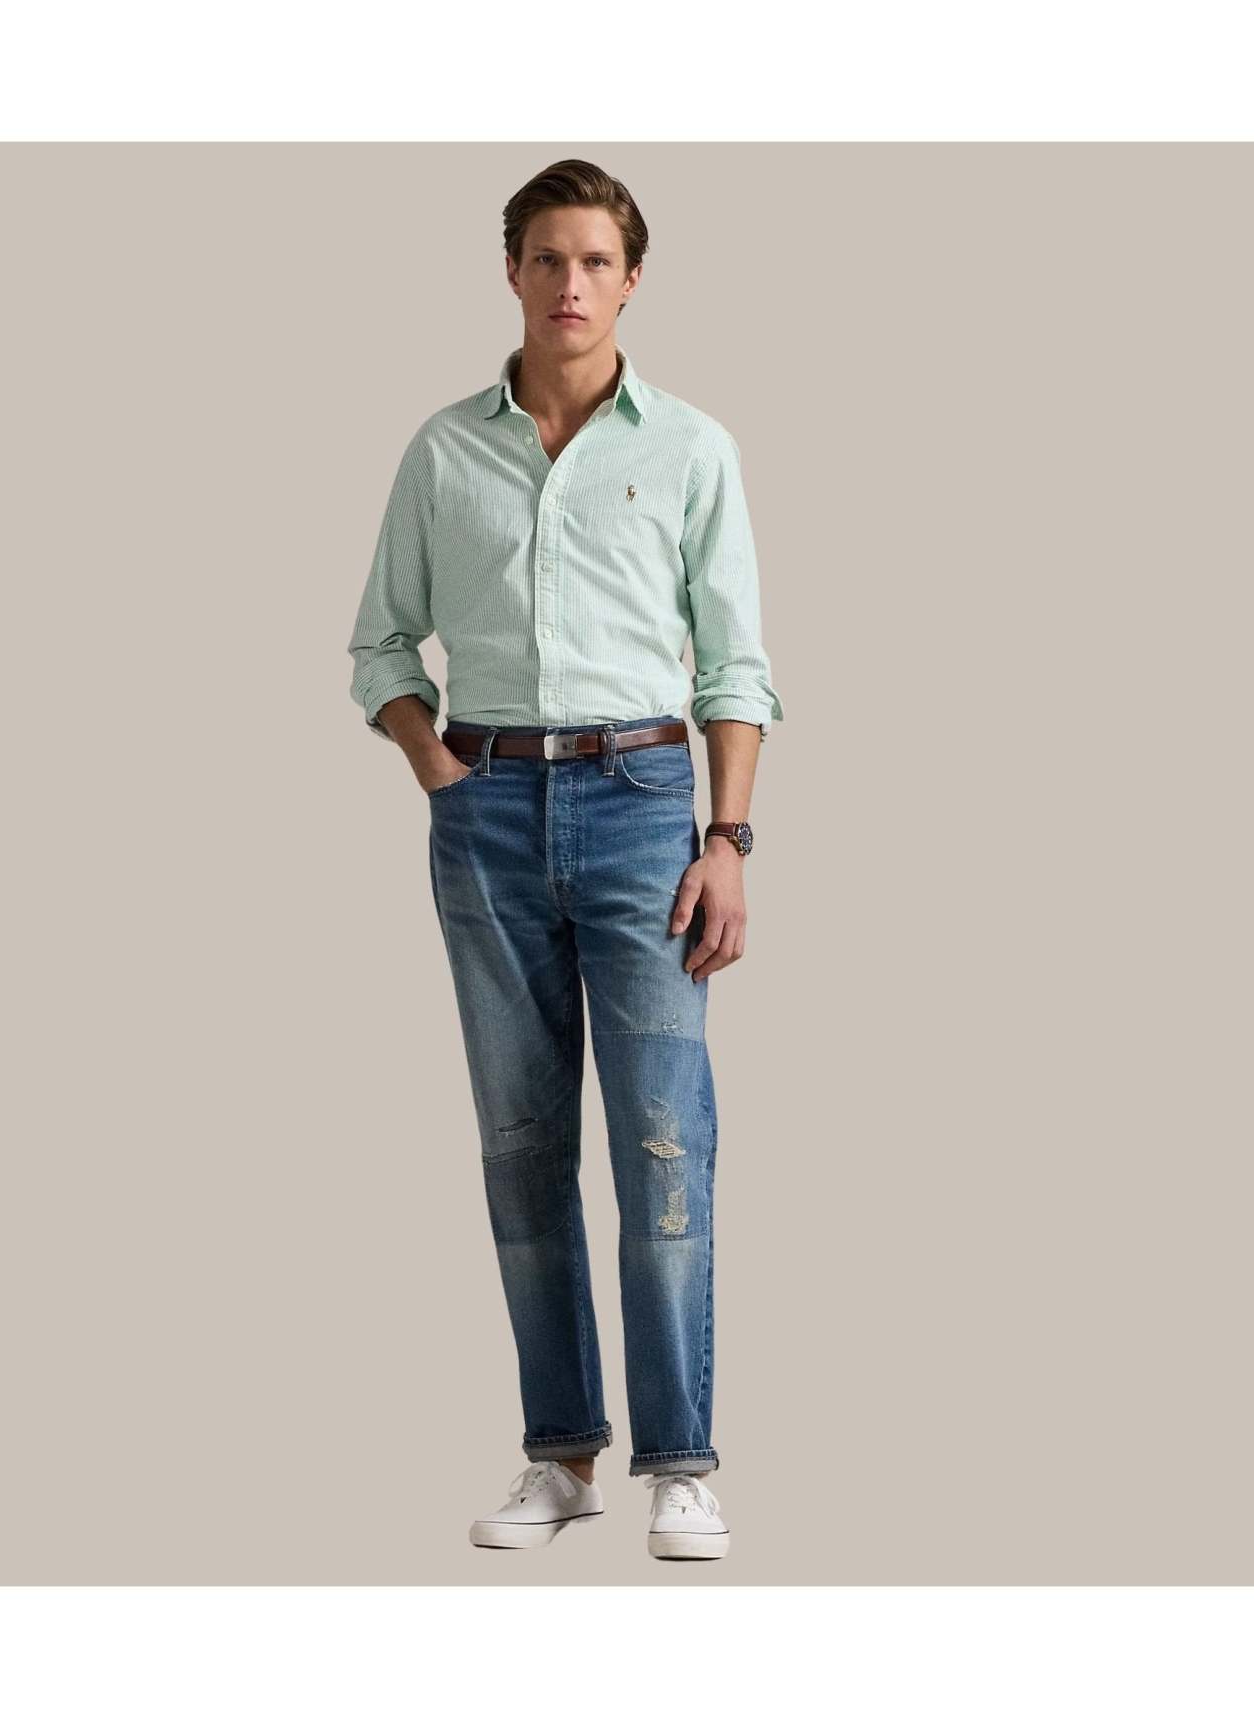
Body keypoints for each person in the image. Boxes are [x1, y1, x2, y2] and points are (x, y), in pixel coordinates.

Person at [346, 159, 782, 1562]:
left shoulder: (692, 448)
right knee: (522, 1148)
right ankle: (561, 1456)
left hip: (644, 803)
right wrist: (435, 766)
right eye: (547, 259)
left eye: (596, 261)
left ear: (631, 280)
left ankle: (681, 1468)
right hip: (486, 811)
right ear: (513, 273)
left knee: (664, 1140)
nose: (570, 285)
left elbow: (735, 665)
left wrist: (727, 841)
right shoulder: (443, 451)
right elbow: (378, 643)